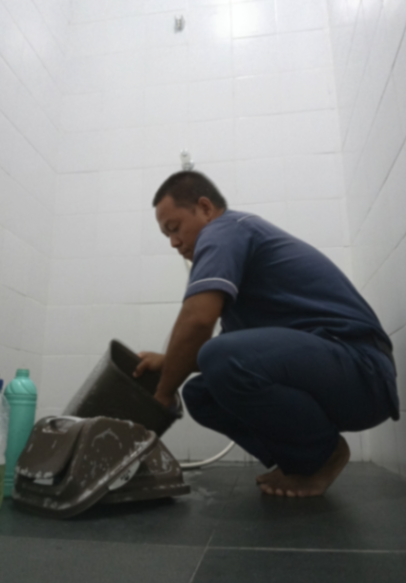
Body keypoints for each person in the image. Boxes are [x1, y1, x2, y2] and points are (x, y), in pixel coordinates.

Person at [133, 171, 400, 498]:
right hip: (339, 373)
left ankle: (322, 455)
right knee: (201, 394)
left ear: (205, 208)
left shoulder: (224, 230)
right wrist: (169, 361)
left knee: (218, 357)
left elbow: (198, 320)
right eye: (167, 235)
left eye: (174, 228)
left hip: (363, 370)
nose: (173, 243)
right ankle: (300, 461)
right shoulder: (240, 266)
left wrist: (162, 396)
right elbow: (236, 357)